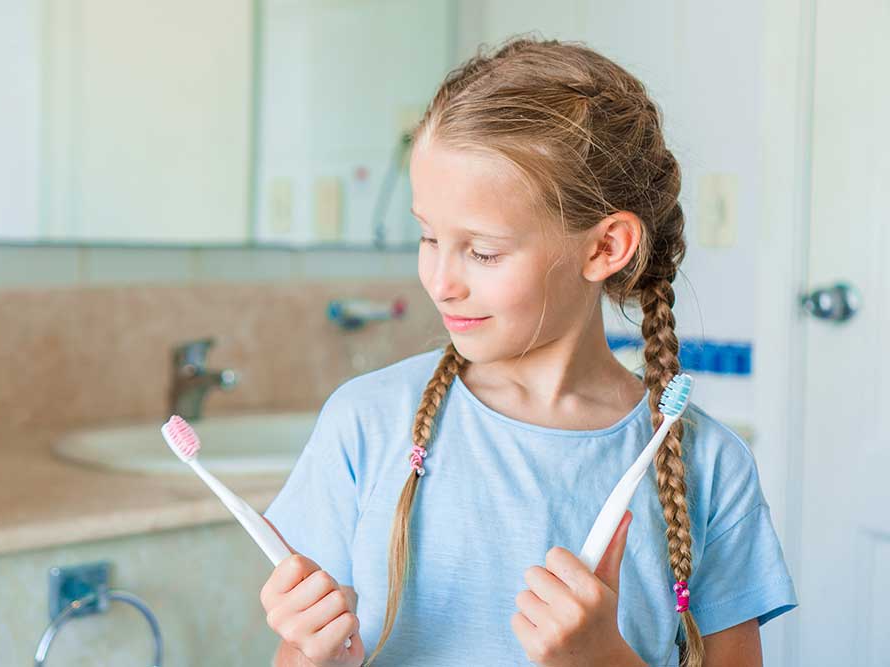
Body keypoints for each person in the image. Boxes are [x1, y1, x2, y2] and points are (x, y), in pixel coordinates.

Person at [258, 35, 797, 667]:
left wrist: (605, 661)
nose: (440, 280)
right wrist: (310, 655)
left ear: (604, 248)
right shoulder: (365, 423)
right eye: (429, 237)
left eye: (483, 251)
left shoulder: (708, 467)